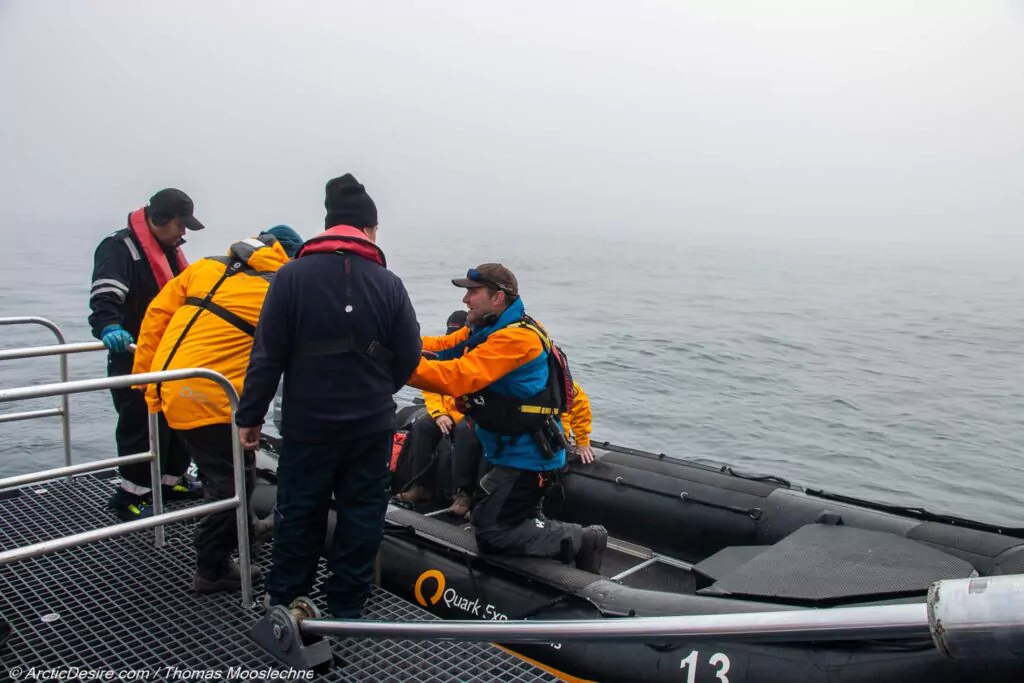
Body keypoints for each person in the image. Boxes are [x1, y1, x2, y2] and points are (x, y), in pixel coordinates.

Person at [235, 174, 422, 617]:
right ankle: (347, 606)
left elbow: (267, 355)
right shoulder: (389, 283)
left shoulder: (290, 277)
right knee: (362, 515)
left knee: (298, 512)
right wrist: (379, 390)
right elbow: (409, 354)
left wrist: (251, 416)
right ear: (369, 229)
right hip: (371, 424)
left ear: (329, 224)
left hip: (308, 424)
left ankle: (284, 601)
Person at [132, 226, 302, 593]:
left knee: (237, 472)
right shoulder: (277, 288)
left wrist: (145, 381)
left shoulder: (206, 266)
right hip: (210, 396)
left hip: (173, 385)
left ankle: (243, 534)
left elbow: (155, 317)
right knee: (230, 484)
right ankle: (211, 568)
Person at [407, 263, 608, 572]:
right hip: (510, 451)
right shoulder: (490, 327)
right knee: (508, 514)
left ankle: (583, 540)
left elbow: (457, 376)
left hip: (527, 458)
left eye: (473, 293)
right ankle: (541, 537)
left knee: (489, 530)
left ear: (497, 297)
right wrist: (402, 344)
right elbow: (448, 347)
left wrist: (395, 366)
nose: (465, 300)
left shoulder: (516, 339)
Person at [88, 188, 205, 520]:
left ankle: (171, 480)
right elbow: (105, 294)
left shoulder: (168, 251)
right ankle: (130, 494)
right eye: (181, 225)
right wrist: (109, 327)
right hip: (134, 351)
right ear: (161, 220)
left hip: (170, 353)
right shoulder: (118, 248)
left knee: (174, 418)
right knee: (138, 421)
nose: (183, 233)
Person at [395, 310, 484, 517]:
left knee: (464, 430)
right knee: (423, 425)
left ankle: (463, 493)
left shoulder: (477, 355)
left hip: (469, 413)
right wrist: (438, 414)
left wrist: (456, 416)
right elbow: (431, 386)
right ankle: (420, 485)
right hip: (445, 412)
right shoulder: (445, 353)